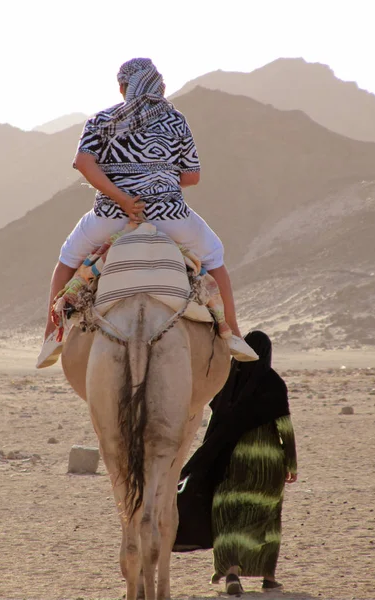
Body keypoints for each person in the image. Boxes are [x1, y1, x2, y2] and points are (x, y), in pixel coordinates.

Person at [36, 58, 258, 368]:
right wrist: (159, 179)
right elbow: (192, 176)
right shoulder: (175, 120)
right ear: (158, 86)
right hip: (170, 217)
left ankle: (51, 335)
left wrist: (124, 199)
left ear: (123, 87)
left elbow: (84, 164)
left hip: (112, 215)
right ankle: (232, 332)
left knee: (66, 261)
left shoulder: (102, 119)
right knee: (215, 257)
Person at [174, 331, 297, 595]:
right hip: (268, 464)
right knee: (265, 517)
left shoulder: (227, 381)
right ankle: (268, 576)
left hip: (230, 461)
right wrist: (291, 464)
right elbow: (284, 428)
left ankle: (232, 573)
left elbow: (218, 421)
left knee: (228, 515)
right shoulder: (273, 382)